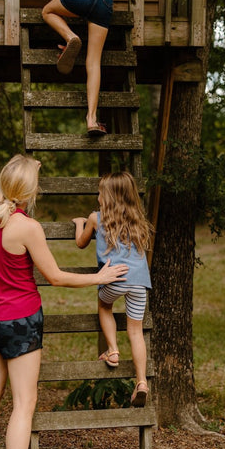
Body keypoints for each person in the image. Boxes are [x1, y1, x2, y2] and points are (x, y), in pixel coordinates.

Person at [0, 155, 128, 449]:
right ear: (31, 191)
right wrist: (99, 277)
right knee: (24, 403)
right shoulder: (27, 227)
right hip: (19, 320)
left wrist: (28, 164)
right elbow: (56, 276)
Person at [2, 0, 120, 136]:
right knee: (94, 61)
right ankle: (92, 120)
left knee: (47, 11)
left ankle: (70, 37)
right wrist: (99, 1)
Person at [72, 172, 154, 407]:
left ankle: (113, 350)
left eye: (100, 193)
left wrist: (80, 223)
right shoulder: (137, 218)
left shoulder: (96, 218)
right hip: (139, 282)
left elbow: (81, 243)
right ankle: (141, 382)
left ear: (108, 196)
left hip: (113, 280)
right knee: (136, 331)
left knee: (104, 305)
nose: (98, 196)